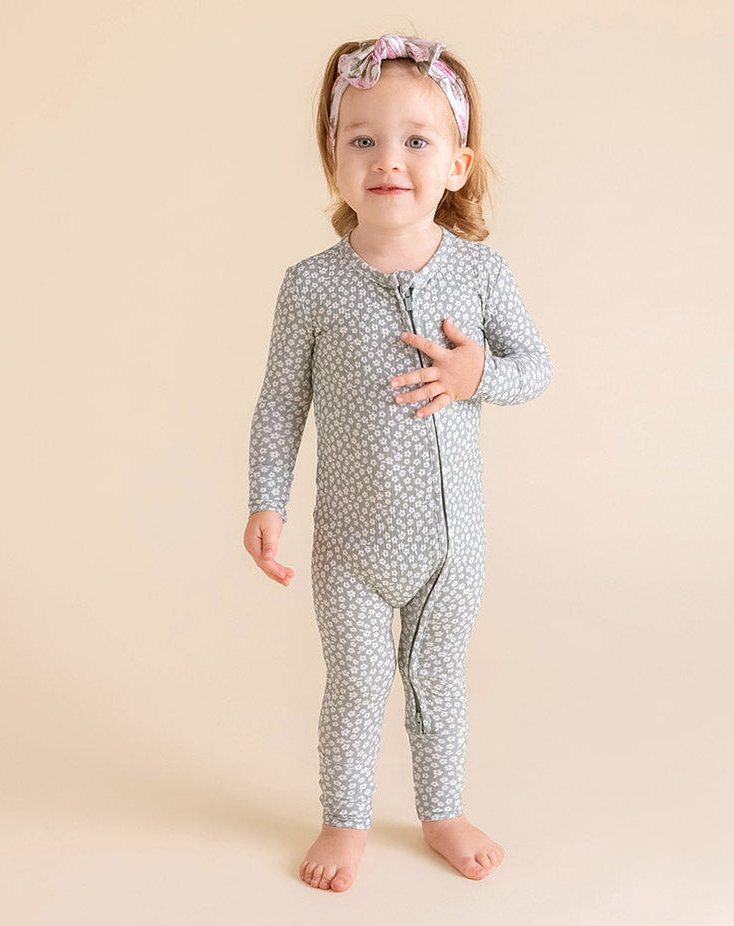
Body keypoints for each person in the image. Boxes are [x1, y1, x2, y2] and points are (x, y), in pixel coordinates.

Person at [243, 32, 552, 892]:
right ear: (335, 160)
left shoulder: (481, 275)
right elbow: (280, 404)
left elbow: (537, 368)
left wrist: (477, 375)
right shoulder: (311, 285)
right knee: (354, 684)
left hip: (452, 549)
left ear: (457, 164)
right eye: (363, 139)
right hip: (351, 548)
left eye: (417, 140)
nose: (388, 159)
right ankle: (343, 820)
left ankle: (442, 812)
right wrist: (267, 499)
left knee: (437, 680)